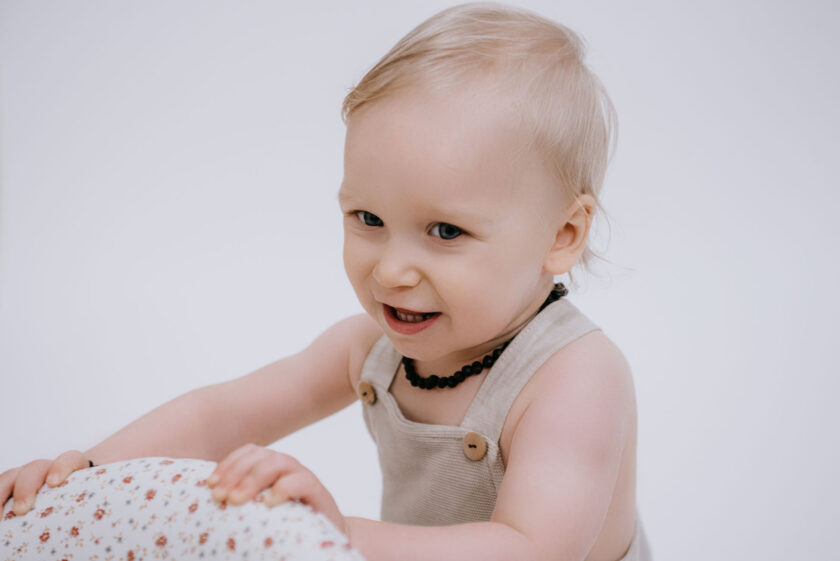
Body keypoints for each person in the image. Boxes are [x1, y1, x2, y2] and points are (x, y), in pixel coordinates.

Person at [0, 3, 651, 560]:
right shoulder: (370, 348)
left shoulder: (576, 377)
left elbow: (528, 548)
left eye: (446, 231)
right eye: (369, 218)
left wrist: (340, 532)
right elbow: (218, 415)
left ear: (562, 236)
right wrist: (81, 475)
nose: (391, 269)